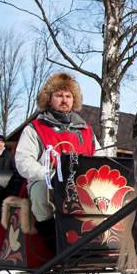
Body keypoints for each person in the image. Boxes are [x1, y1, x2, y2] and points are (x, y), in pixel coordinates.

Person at [15, 72, 100, 246]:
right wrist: (49, 176)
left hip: (82, 183)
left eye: (68, 96)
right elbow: (24, 161)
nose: (64, 100)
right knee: (40, 194)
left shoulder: (86, 130)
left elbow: (99, 157)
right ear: (49, 98)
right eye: (59, 95)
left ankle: (96, 242)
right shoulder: (35, 128)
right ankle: (54, 243)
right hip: (47, 181)